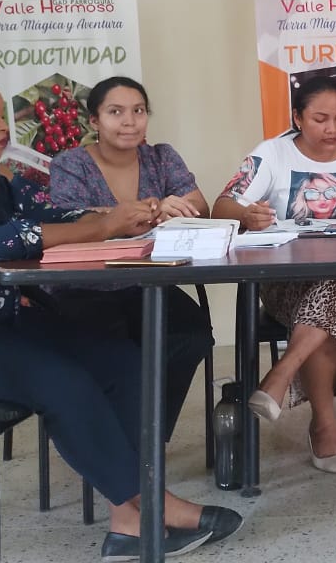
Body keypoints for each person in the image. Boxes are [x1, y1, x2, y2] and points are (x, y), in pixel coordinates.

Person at [0, 70, 241, 560]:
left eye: (3, 114)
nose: (4, 126)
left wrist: (119, 216)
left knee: (122, 362)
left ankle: (127, 522)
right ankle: (154, 505)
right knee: (60, 380)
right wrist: (101, 227)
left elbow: (52, 213)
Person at [212, 76, 336, 474]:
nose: (333, 129)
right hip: (289, 281)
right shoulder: (273, 153)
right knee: (331, 305)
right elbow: (222, 206)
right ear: (298, 118)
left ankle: (283, 374)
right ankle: (322, 423)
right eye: (320, 119)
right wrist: (247, 215)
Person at [47, 76, 214, 439]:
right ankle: (115, 438)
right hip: (84, 287)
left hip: (147, 282)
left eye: (138, 111)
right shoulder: (70, 164)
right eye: (116, 112)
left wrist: (177, 208)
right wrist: (149, 211)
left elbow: (200, 208)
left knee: (192, 335)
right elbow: (71, 220)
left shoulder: (161, 157)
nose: (129, 121)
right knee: (117, 352)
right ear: (94, 120)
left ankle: (148, 436)